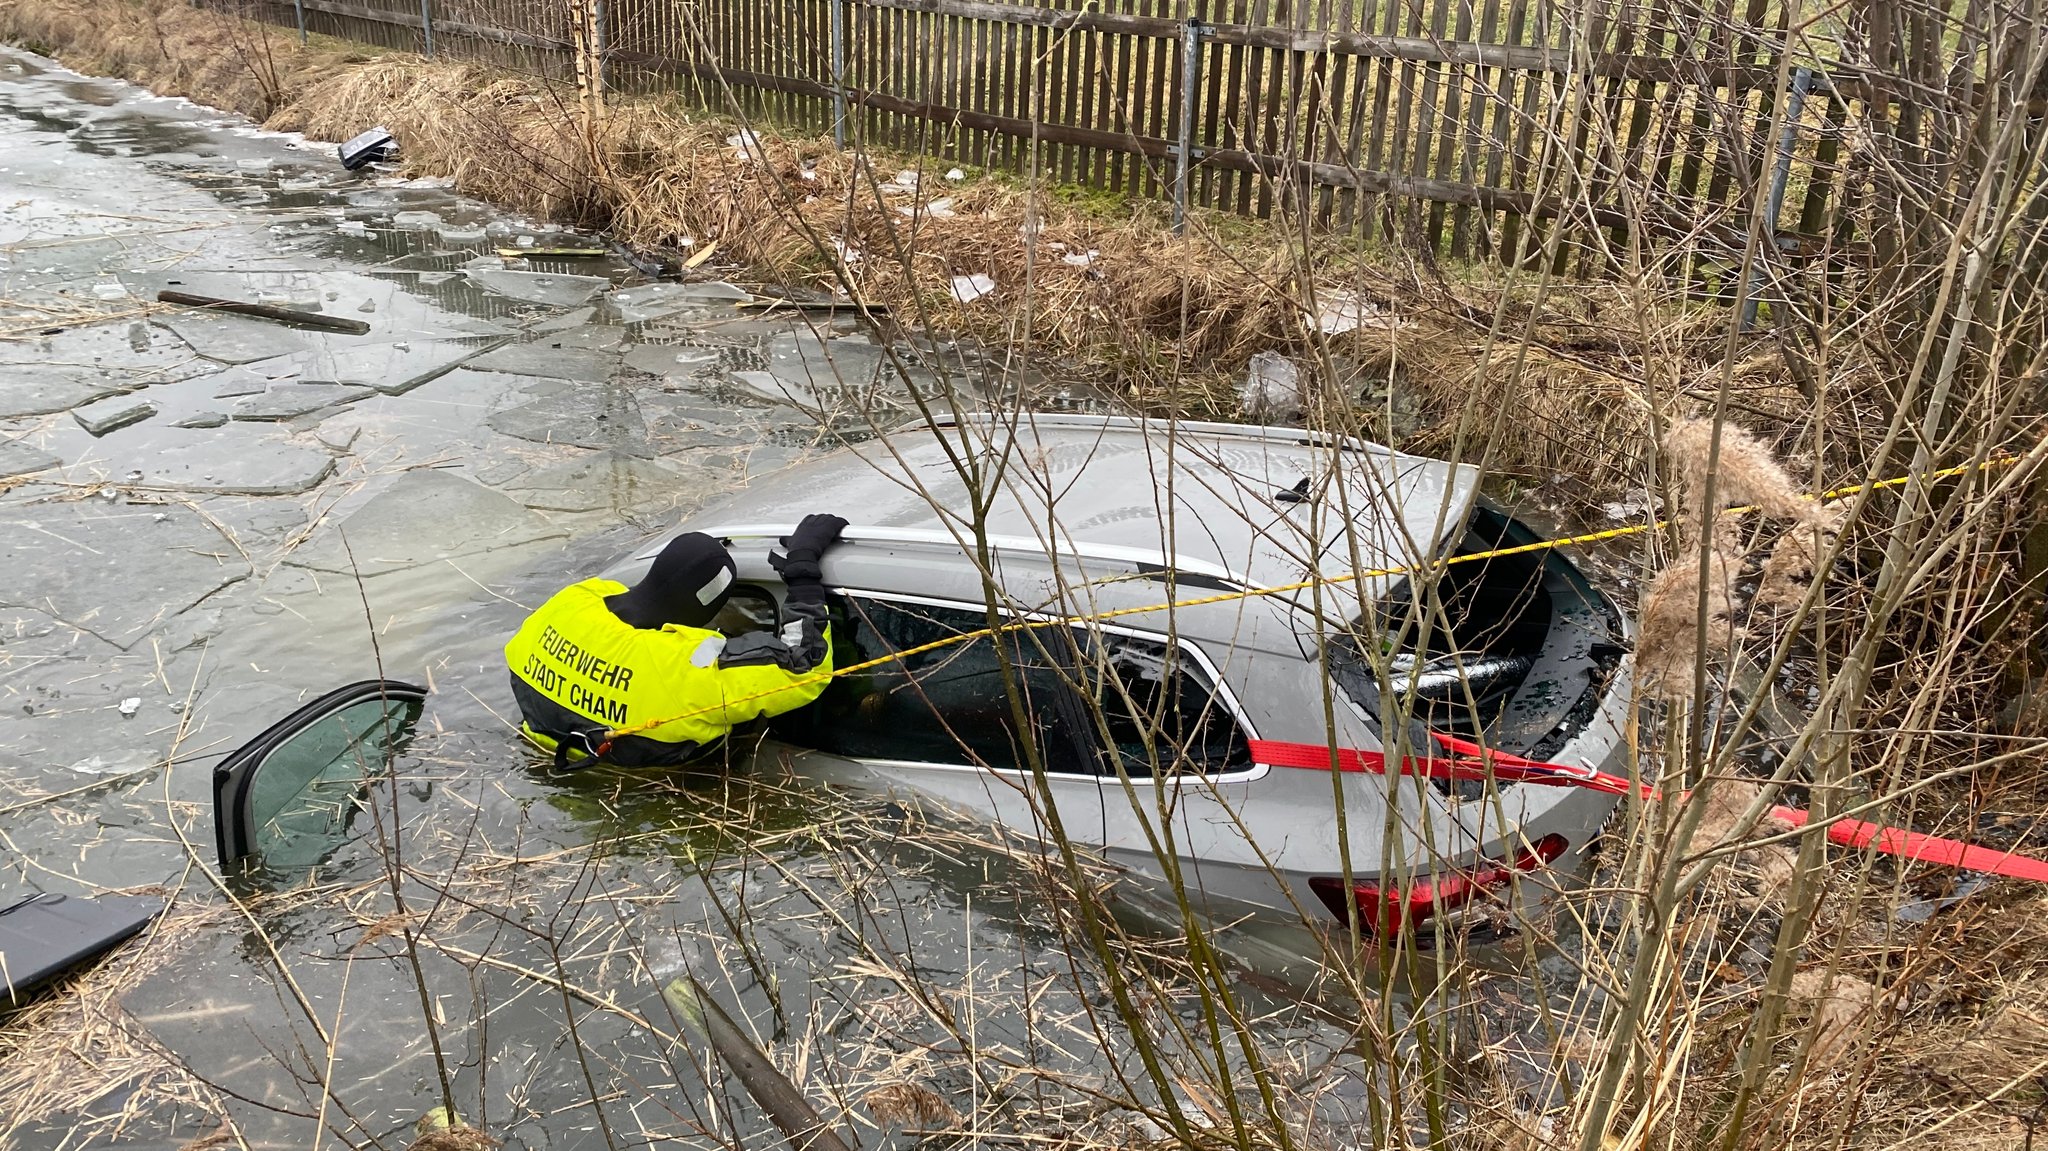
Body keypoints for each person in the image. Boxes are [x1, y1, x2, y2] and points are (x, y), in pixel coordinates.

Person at [504, 514, 848, 768]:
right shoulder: (690, 667)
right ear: (708, 609)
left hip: (540, 755)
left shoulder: (574, 601)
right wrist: (802, 573)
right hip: (651, 786)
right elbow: (805, 665)